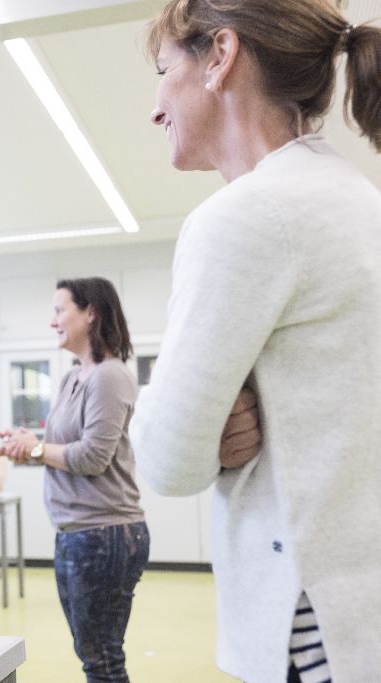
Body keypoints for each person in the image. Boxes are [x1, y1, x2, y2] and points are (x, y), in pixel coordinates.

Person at [131, 2, 381, 681]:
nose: (155, 108)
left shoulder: (245, 217)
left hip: (309, 619)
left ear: (220, 55)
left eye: (163, 70)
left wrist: (196, 419)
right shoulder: (356, 198)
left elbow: (166, 459)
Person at [0, 278, 148, 682]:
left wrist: (35, 449)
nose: (53, 322)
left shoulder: (109, 376)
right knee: (94, 653)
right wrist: (26, 446)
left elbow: (92, 457)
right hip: (76, 532)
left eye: (60, 310)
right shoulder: (72, 378)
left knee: (101, 657)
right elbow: (59, 451)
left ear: (91, 313)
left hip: (103, 533)